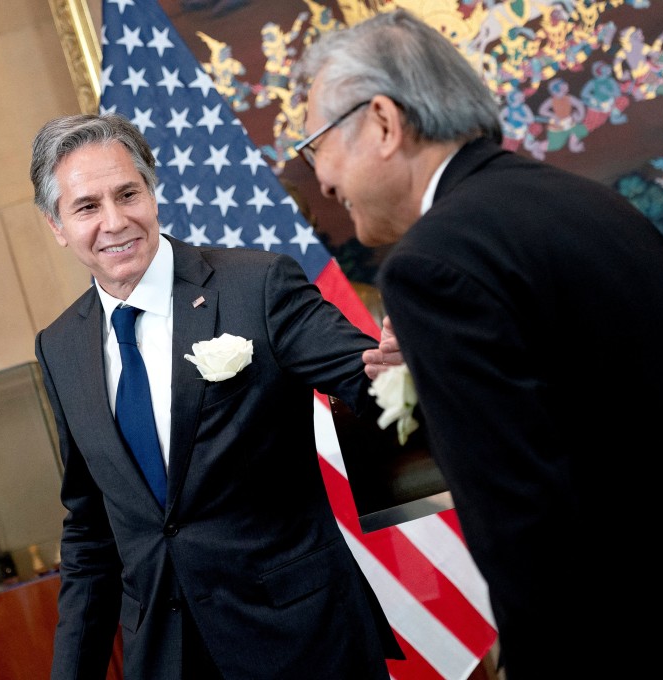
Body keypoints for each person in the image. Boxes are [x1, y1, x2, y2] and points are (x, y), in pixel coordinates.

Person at [295, 9, 663, 678]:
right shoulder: (591, 203)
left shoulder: (432, 263)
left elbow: (521, 520)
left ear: (385, 123)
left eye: (316, 147)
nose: (322, 181)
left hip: (638, 635)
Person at [29, 113, 402, 679]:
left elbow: (368, 381)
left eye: (128, 194)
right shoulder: (59, 347)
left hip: (302, 641)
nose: (115, 221)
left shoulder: (257, 286)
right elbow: (91, 529)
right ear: (56, 225)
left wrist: (400, 370)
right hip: (167, 657)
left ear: (152, 191)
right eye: (86, 207)